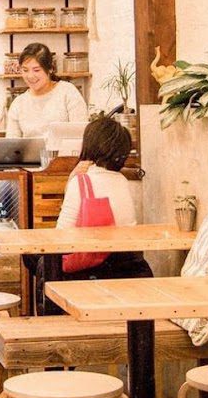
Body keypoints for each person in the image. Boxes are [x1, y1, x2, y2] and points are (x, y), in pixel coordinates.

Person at [54, 116, 150, 283]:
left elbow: (61, 235)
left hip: (92, 268)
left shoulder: (80, 181)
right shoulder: (123, 181)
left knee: (32, 258)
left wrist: (71, 179)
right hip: (128, 265)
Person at [4, 42, 87, 137]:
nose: (30, 76)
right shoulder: (18, 103)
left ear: (50, 69)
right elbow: (12, 143)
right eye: (25, 70)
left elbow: (81, 134)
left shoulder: (67, 92)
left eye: (36, 70)